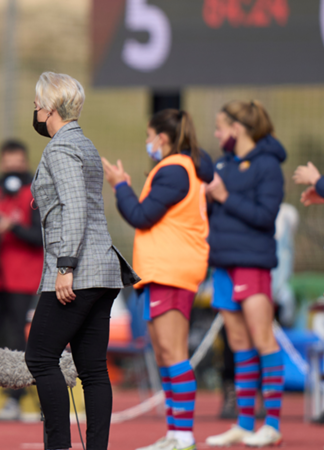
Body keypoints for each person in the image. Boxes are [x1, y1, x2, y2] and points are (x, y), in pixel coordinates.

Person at [23, 71, 139, 450]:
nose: (35, 110)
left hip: (79, 269)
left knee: (40, 356)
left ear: (51, 108)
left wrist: (65, 266)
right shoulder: (83, 143)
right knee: (92, 369)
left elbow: (74, 209)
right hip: (104, 270)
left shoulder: (59, 148)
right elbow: (77, 199)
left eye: (38, 104)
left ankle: (58, 446)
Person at [102, 109, 212, 450]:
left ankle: (183, 435)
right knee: (164, 354)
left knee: (173, 352)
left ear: (162, 137)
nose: (148, 143)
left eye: (150, 136)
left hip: (172, 270)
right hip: (162, 270)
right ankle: (175, 432)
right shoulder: (184, 167)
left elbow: (141, 216)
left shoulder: (175, 170)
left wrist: (121, 186)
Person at [204, 100, 287, 448]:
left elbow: (266, 215)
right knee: (238, 344)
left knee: (263, 339)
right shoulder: (222, 162)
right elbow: (214, 209)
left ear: (238, 127)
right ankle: (243, 422)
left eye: (221, 126)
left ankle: (272, 424)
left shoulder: (268, 165)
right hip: (222, 263)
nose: (217, 133)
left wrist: (223, 196)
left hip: (252, 263)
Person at [0, 139, 44, 421]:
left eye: (18, 161)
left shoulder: (34, 192)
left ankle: (15, 398)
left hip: (23, 278)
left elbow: (40, 237)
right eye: (7, 162)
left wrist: (12, 226)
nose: (12, 167)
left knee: (16, 338)